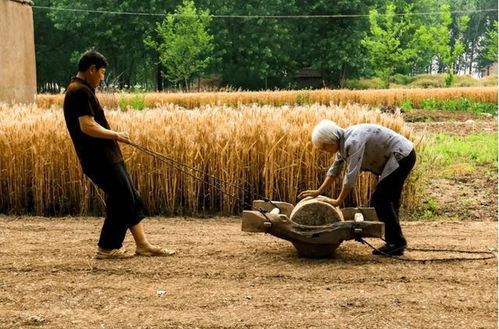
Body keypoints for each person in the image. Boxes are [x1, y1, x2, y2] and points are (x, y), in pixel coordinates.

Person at [63, 49, 175, 259]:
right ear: (92, 69)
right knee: (122, 197)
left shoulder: (83, 89)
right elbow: (87, 126)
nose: (102, 78)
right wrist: (117, 135)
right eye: (102, 73)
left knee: (130, 195)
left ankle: (142, 244)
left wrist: (115, 139)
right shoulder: (78, 91)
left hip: (107, 154)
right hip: (97, 157)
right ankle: (107, 247)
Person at [298, 120, 416, 256]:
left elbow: (351, 175)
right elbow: (334, 170)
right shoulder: (343, 140)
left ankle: (396, 243)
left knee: (380, 199)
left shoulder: (352, 141)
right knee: (388, 199)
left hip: (402, 156)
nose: (324, 151)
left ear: (331, 141)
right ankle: (395, 242)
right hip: (403, 154)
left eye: (324, 147)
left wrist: (338, 201)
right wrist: (319, 191)